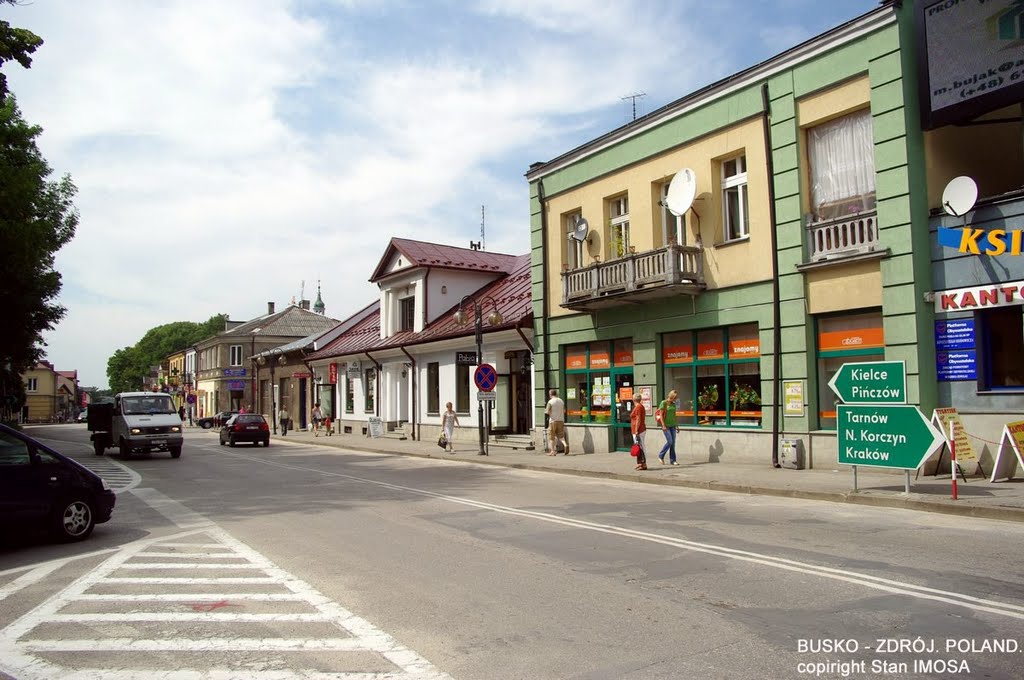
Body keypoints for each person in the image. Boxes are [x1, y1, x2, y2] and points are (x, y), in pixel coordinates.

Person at [657, 389, 679, 465]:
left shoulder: (673, 404)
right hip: (666, 426)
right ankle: (661, 455)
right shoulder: (663, 403)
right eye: (675, 397)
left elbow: (674, 415)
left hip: (673, 425)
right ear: (671, 396)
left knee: (673, 443)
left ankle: (673, 460)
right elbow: (661, 415)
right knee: (670, 441)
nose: (676, 399)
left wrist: (677, 425)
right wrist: (663, 425)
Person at [545, 388, 569, 456]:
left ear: (550, 394)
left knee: (551, 437)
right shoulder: (561, 401)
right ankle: (565, 445)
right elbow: (564, 411)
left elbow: (547, 411)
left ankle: (552, 451)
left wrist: (549, 412)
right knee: (561, 435)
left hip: (553, 421)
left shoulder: (550, 402)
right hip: (561, 420)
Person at [630, 399, 648, 471]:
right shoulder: (641, 406)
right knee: (640, 446)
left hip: (638, 430)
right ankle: (641, 463)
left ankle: (642, 463)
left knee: (640, 447)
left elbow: (638, 419)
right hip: (640, 429)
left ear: (633, 399)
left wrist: (636, 430)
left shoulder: (638, 407)